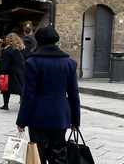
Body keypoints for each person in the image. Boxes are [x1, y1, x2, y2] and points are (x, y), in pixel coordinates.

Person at [16, 27, 80, 164]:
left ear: (37, 40)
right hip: (60, 114)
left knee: (37, 154)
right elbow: (74, 95)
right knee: (58, 154)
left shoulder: (32, 62)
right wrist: (76, 120)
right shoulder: (69, 63)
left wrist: (21, 121)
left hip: (38, 115)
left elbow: (28, 95)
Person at [0, 33, 25, 111]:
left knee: (6, 88)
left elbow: (4, 62)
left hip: (10, 71)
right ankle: (26, 101)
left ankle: (5, 104)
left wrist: (2, 72)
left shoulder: (8, 50)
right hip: (19, 70)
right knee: (20, 87)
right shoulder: (20, 49)